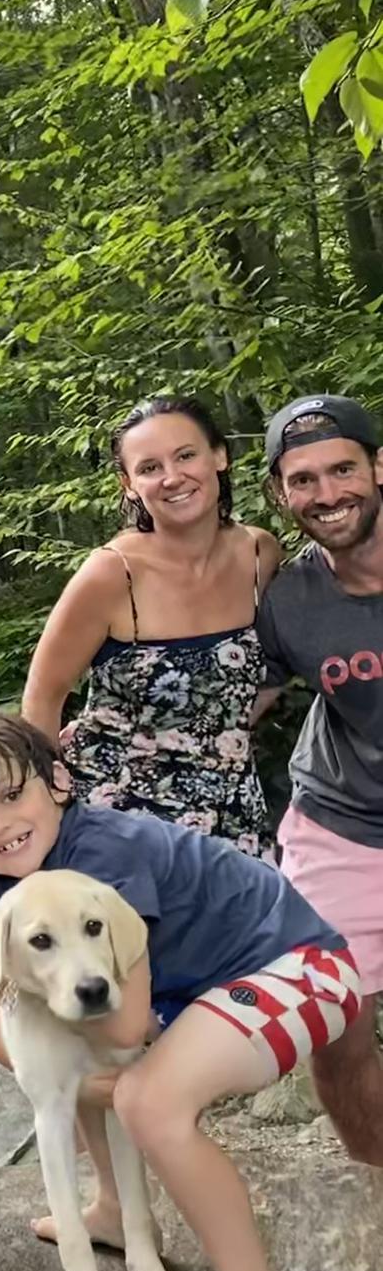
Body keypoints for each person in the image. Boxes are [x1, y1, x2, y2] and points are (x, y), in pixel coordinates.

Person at [0, 710, 359, 1271]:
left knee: (146, 1100)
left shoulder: (103, 855)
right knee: (68, 1033)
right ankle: (113, 1209)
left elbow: (126, 1029)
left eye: (9, 794)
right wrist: (49, 1077)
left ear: (57, 780)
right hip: (207, 994)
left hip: (300, 969)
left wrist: (67, 1074)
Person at [22, 394, 282, 853]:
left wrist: (218, 734)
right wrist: (54, 806)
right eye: (149, 468)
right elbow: (42, 698)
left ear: (219, 456)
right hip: (118, 819)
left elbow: (276, 666)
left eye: (185, 455)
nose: (172, 478)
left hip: (232, 813)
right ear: (128, 484)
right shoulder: (111, 574)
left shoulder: (260, 555)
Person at [256, 391, 383, 1166]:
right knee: (333, 1030)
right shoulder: (288, 601)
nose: (327, 494)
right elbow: (233, 704)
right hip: (341, 827)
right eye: (303, 480)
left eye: (342, 469)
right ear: (279, 493)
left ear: (378, 466)